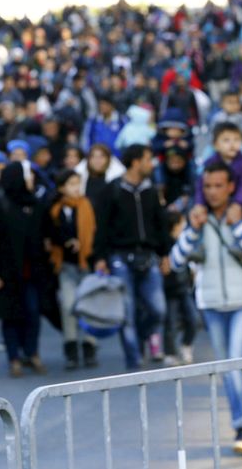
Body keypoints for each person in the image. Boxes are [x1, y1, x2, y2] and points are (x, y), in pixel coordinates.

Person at [170, 161, 242, 454]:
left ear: (230, 187)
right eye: (208, 186)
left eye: (218, 186)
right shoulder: (196, 218)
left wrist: (237, 224)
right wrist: (192, 230)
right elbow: (176, 261)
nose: (213, 192)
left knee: (235, 362)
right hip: (211, 304)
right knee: (229, 368)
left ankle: (241, 425)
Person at [93, 145, 170, 369]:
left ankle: (143, 336)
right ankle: (134, 360)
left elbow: (160, 224)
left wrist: (165, 254)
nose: (151, 164)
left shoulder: (151, 190)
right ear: (136, 162)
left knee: (158, 309)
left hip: (149, 256)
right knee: (126, 313)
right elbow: (102, 227)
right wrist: (100, 257)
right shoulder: (112, 190)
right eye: (148, 159)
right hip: (120, 257)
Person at [0, 162, 52, 377]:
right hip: (6, 275)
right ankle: (14, 358)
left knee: (33, 313)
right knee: (10, 316)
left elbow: (44, 234)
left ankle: (31, 352)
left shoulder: (35, 205)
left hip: (32, 273)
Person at [49, 170, 98, 370]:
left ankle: (89, 347)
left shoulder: (86, 206)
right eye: (71, 184)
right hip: (66, 265)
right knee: (68, 307)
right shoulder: (55, 210)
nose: (75, 188)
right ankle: (71, 350)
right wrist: (66, 241)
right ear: (62, 188)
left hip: (86, 263)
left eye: (78, 184)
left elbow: (94, 232)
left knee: (88, 307)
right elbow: (51, 233)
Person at [193, 122, 242, 219]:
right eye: (226, 140)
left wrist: (237, 203)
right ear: (216, 145)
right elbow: (201, 184)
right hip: (215, 198)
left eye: (236, 140)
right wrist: (199, 203)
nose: (232, 144)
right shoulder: (210, 162)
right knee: (193, 205)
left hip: (238, 198)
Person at [161, 211, 197, 367]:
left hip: (184, 287)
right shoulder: (164, 244)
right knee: (170, 322)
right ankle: (169, 352)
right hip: (169, 289)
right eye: (182, 223)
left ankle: (186, 345)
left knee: (193, 319)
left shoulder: (185, 241)